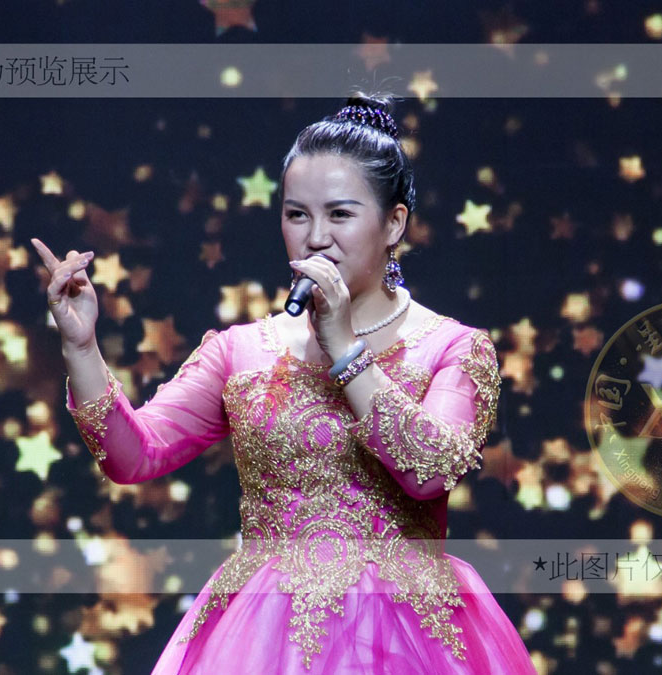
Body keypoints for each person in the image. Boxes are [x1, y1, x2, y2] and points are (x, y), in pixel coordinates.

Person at [31, 92, 536, 674]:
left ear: (394, 223)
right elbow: (134, 456)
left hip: (408, 638)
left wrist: (345, 349)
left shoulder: (452, 347)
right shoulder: (241, 351)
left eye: (340, 215)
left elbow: (428, 473)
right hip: (265, 638)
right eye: (297, 215)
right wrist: (81, 347)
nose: (316, 237)